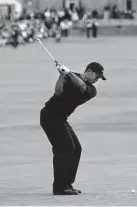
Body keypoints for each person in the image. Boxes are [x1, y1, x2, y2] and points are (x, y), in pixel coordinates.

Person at [40, 62, 106, 195]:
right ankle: (60, 187)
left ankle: (67, 183)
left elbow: (81, 86)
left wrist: (68, 73)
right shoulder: (70, 77)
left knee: (76, 148)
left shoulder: (91, 90)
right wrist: (62, 76)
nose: (97, 80)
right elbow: (58, 91)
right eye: (97, 76)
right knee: (64, 148)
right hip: (50, 116)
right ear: (89, 71)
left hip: (60, 118)